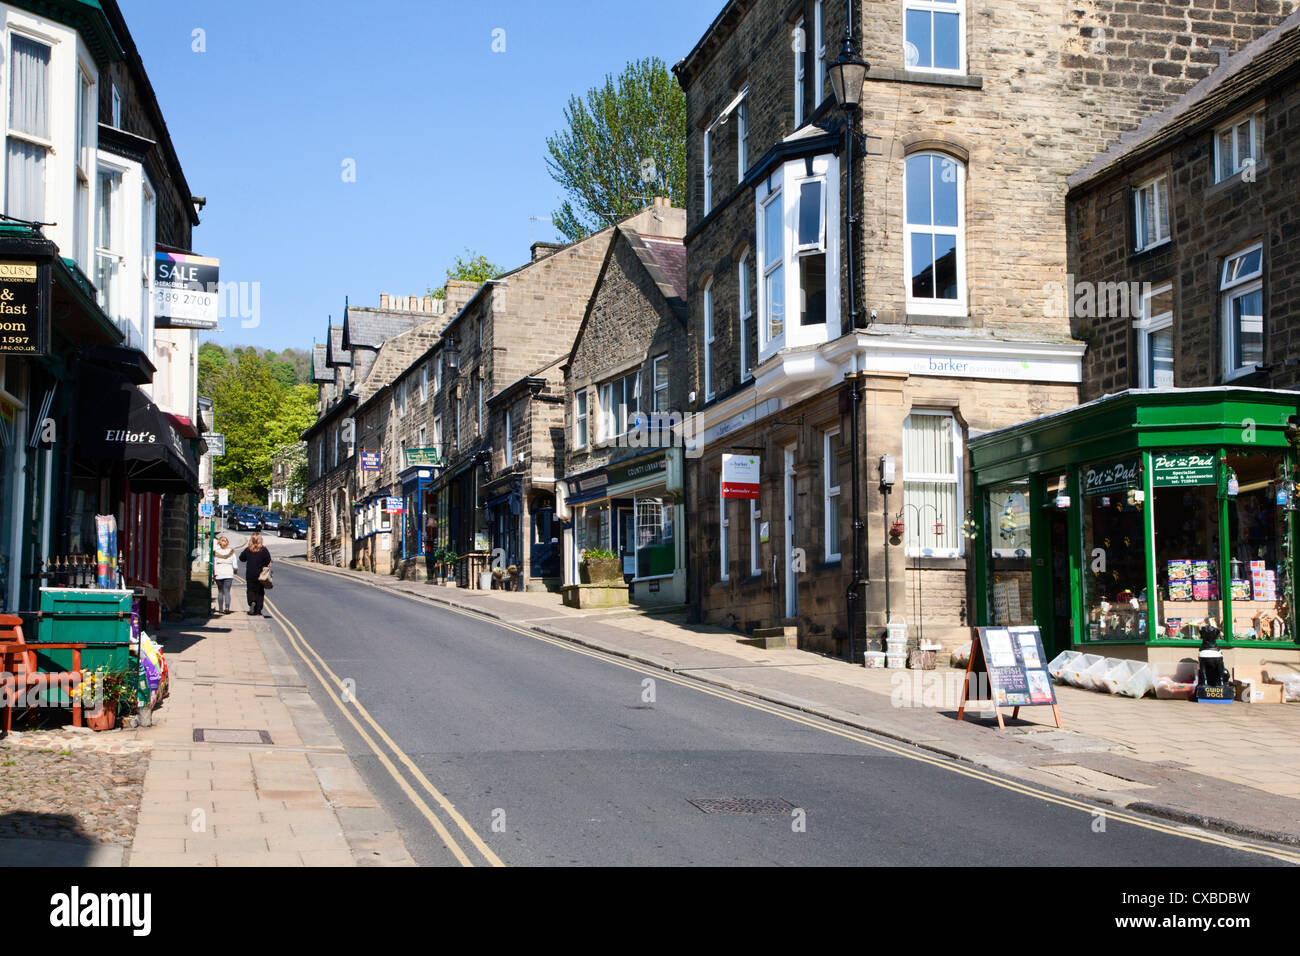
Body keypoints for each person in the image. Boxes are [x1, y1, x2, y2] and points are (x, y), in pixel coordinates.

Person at [239, 533, 272, 616]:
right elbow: (268, 560)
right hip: (261, 575)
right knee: (260, 592)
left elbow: (241, 558)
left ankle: (251, 602)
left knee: (250, 590)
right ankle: (258, 610)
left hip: (250, 574)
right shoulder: (264, 550)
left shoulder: (248, 549)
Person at [213, 535, 236, 614]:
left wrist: (214, 573)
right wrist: (235, 570)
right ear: (227, 543)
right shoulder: (231, 552)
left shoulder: (216, 552)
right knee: (227, 591)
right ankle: (227, 607)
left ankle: (220, 609)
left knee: (220, 592)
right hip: (228, 573)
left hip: (219, 573)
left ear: (219, 543)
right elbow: (235, 565)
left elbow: (214, 563)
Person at [424, 514, 438, 583]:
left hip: (431, 549)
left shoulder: (433, 529)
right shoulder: (430, 529)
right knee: (430, 564)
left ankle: (432, 577)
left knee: (432, 563)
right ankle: (430, 577)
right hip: (429, 549)